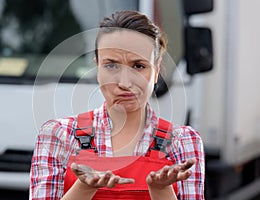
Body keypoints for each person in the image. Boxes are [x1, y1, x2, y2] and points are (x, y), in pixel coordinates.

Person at [30, 10, 205, 200]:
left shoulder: (183, 142)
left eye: (138, 66)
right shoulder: (58, 135)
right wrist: (84, 188)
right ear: (97, 67)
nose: (124, 82)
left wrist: (161, 190)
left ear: (156, 70)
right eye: (111, 65)